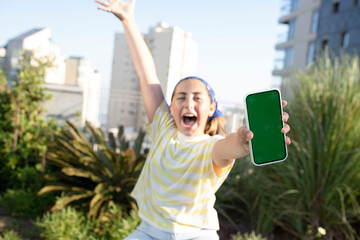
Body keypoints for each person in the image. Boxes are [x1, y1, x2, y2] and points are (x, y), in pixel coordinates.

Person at [95, 0, 291, 239]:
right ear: (171, 106)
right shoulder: (163, 128)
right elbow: (147, 75)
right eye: (180, 97)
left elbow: (229, 146)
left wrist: (244, 141)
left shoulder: (211, 146)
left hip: (198, 234)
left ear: (212, 108)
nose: (188, 103)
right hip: (149, 232)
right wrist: (128, 20)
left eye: (197, 98)